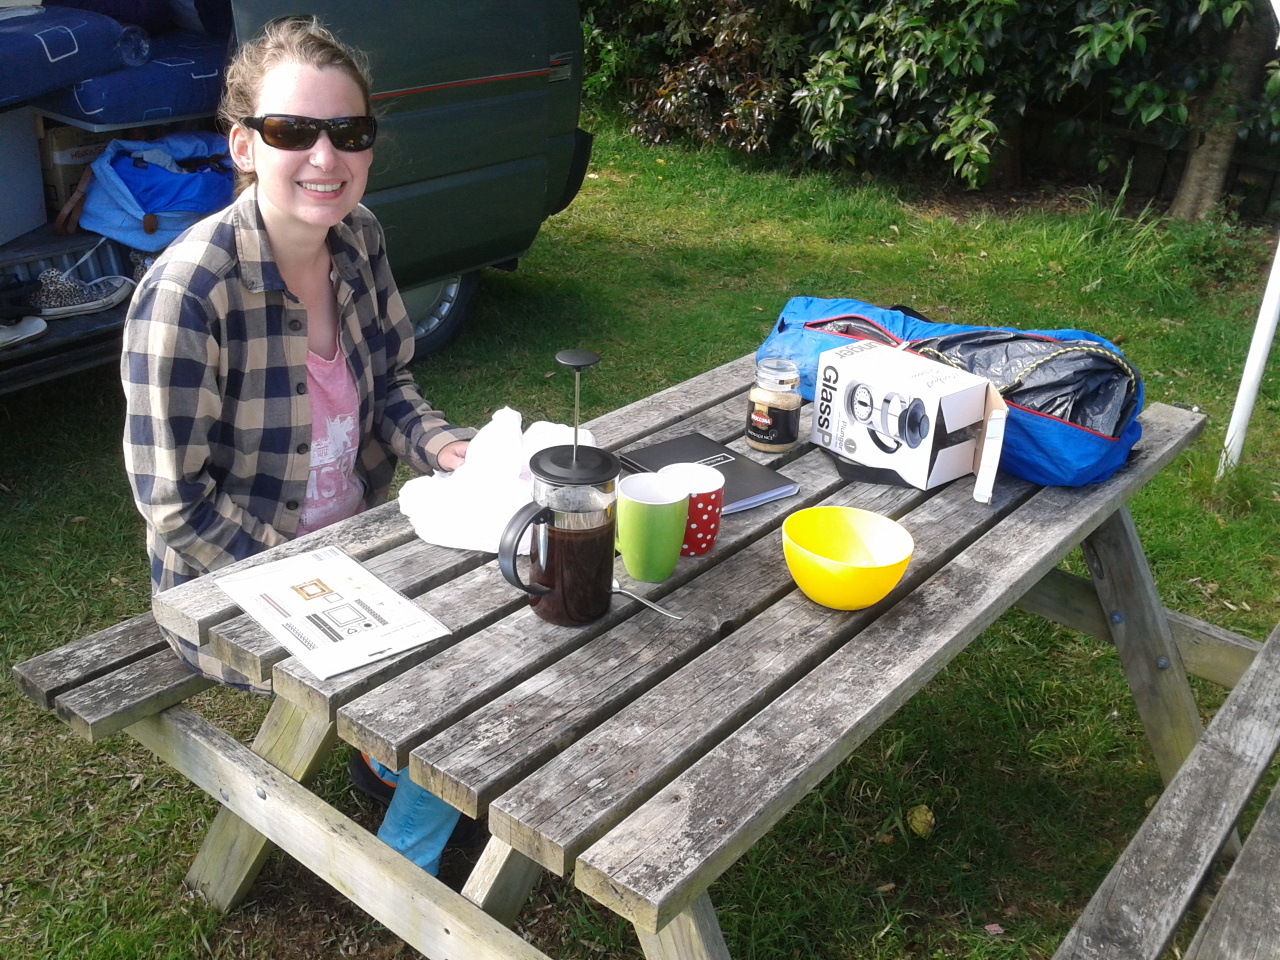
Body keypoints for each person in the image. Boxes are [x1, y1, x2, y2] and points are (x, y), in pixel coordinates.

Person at [121, 15, 473, 877]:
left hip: (354, 548)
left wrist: (446, 450)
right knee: (461, 664)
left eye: (348, 132)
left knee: (521, 587)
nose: (326, 157)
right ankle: (404, 871)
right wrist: (308, 577)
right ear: (243, 145)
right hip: (230, 587)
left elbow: (392, 384)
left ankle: (389, 768)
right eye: (292, 131)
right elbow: (174, 504)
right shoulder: (188, 293)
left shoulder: (360, 237)